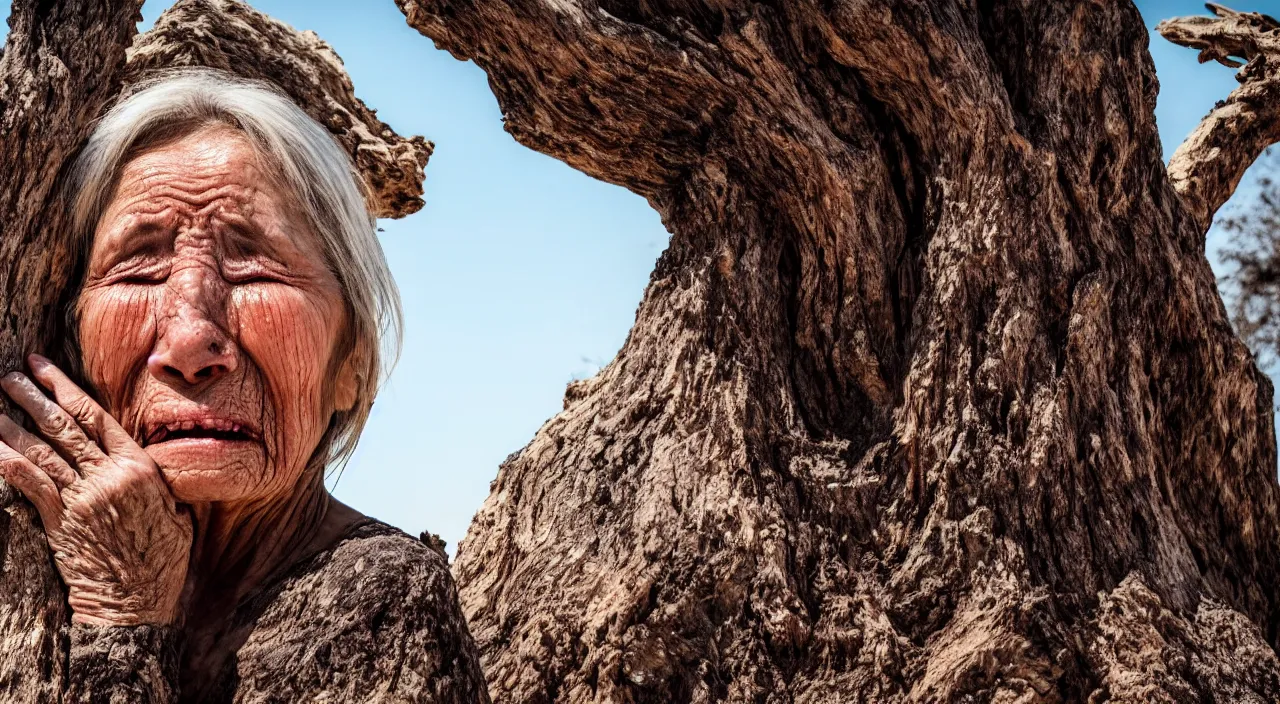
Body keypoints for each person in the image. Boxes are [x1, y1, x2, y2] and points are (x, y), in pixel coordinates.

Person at [0, 68, 489, 703]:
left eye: (253, 267)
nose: (188, 343)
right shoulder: (22, 565)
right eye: (140, 269)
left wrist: (121, 618)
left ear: (353, 362)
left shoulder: (381, 598)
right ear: (70, 342)